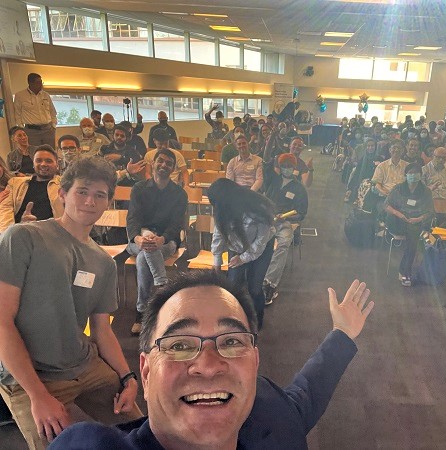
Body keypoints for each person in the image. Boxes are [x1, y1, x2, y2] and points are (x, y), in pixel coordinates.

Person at [47, 272, 373, 450]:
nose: (208, 365)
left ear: (254, 362)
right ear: (145, 372)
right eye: (180, 344)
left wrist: (342, 334)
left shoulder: (269, 414)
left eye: (231, 341)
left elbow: (303, 401)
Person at [0, 157, 143, 449]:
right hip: (31, 376)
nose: (90, 201)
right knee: (56, 445)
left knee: (140, 434)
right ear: (63, 194)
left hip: (84, 365)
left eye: (100, 195)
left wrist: (128, 377)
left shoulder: (104, 262)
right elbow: (1, 320)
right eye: (82, 191)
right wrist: (38, 396)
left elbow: (101, 330)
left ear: (108, 203)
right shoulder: (24, 237)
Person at [126, 148, 188, 335]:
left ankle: (141, 311)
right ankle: (163, 289)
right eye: (161, 161)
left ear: (173, 168)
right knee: (145, 249)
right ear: (153, 163)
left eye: (169, 163)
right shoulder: (139, 189)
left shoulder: (179, 194)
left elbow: (176, 224)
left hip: (166, 242)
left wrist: (162, 239)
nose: (164, 165)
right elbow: (133, 219)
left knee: (144, 257)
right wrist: (137, 237)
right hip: (138, 239)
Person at [209, 178, 276, 330]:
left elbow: (260, 244)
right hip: (238, 246)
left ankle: (257, 321)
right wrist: (217, 263)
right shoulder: (222, 209)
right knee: (233, 285)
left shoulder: (258, 209)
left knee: (254, 288)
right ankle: (235, 320)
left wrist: (243, 259)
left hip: (261, 248)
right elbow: (218, 236)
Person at [263, 154, 309, 304]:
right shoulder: (272, 179)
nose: (287, 169)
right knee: (258, 240)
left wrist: (287, 217)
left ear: (294, 168)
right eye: (284, 166)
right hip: (267, 219)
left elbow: (301, 213)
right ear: (280, 166)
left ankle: (269, 284)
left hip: (286, 222)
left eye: (290, 166)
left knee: (283, 245)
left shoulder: (299, 188)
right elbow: (266, 160)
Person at [385, 162, 435, 287]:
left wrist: (418, 219)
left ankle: (405, 271)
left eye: (416, 173)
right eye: (411, 173)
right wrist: (400, 215)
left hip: (415, 222)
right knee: (413, 236)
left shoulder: (426, 191)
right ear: (406, 174)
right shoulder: (398, 188)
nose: (413, 175)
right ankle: (405, 272)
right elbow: (386, 205)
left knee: (412, 237)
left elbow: (430, 211)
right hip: (397, 220)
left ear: (420, 175)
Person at [0, 145, 62, 234]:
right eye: (39, 160)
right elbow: (5, 209)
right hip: (19, 235)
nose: (43, 164)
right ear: (33, 164)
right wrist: (10, 235)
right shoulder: (15, 183)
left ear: (57, 165)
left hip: (52, 236)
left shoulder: (65, 184)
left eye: (49, 161)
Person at [13, 73, 57, 147]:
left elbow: (52, 111)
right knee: (35, 153)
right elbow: (17, 114)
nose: (41, 85)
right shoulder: (20, 96)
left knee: (50, 152)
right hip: (31, 131)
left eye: (41, 82)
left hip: (48, 130)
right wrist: (22, 129)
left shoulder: (46, 95)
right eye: (38, 82)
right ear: (30, 83)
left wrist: (54, 125)